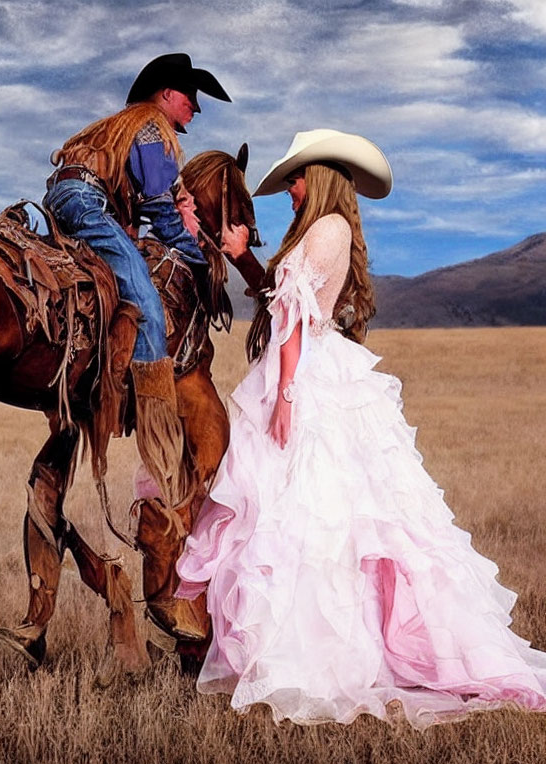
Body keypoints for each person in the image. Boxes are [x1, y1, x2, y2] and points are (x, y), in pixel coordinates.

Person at [174, 129, 546, 729]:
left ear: (317, 177)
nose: (290, 192)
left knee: (309, 516)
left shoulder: (328, 230)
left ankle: (315, 654)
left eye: (295, 180)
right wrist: (239, 253)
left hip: (309, 380)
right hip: (307, 371)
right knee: (301, 518)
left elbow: (293, 317)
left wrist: (287, 394)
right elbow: (281, 296)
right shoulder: (324, 231)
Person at [43, 52, 230, 509]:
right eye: (190, 97)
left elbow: (137, 205)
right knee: (141, 292)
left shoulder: (121, 127)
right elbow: (161, 209)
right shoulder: (151, 128)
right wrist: (198, 259)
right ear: (166, 94)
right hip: (85, 200)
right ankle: (156, 414)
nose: (194, 108)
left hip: (64, 196)